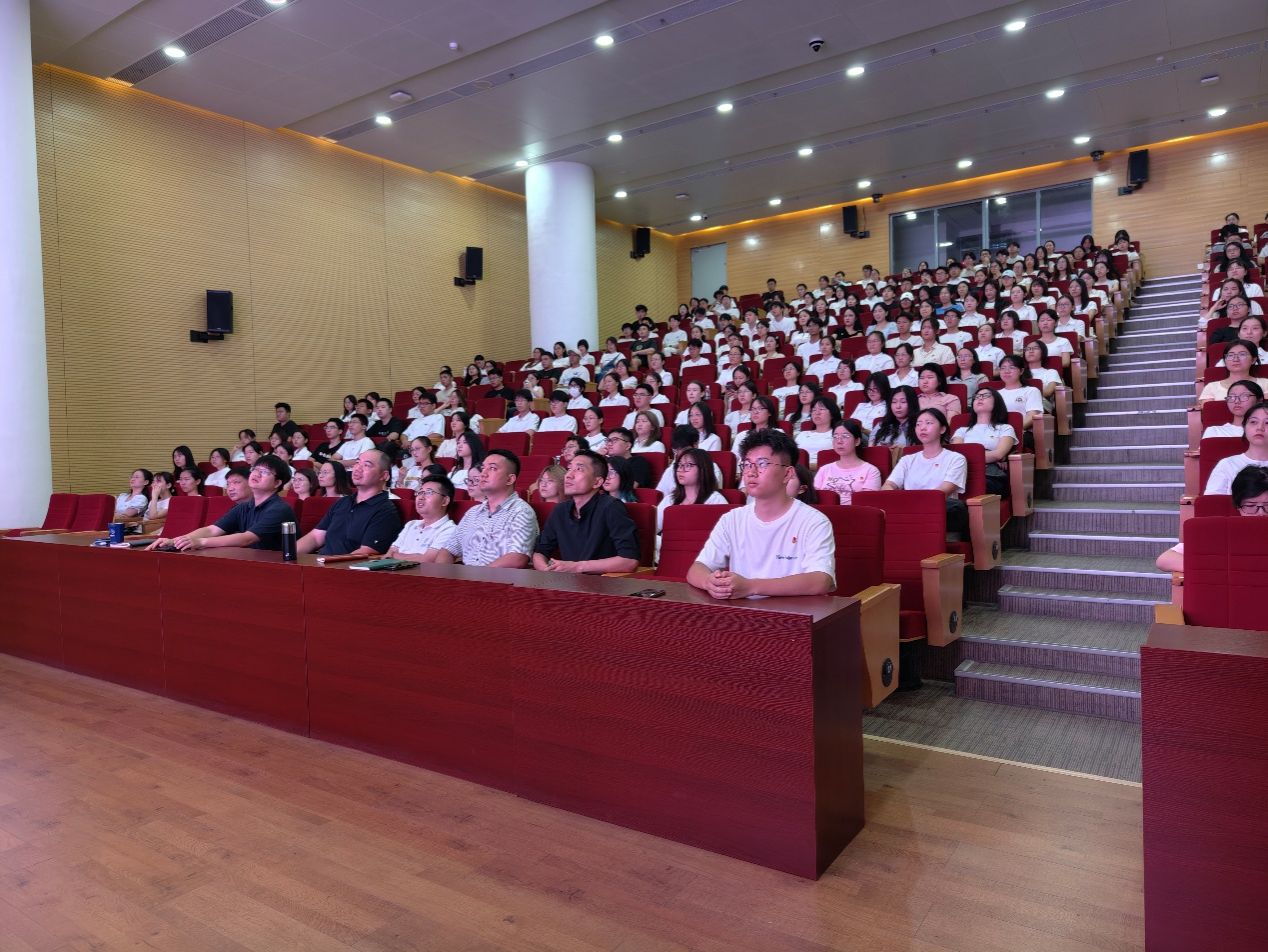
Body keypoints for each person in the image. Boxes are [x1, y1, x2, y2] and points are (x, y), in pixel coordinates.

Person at [687, 429, 835, 599]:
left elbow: (822, 580)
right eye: (747, 464)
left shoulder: (814, 521)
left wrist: (751, 587)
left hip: (794, 612)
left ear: (787, 474)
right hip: (742, 611)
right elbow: (697, 569)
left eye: (763, 464)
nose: (751, 472)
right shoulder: (732, 519)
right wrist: (709, 582)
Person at [151, 455, 295, 551]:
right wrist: (176, 541)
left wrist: (201, 542)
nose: (256, 474)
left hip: (278, 567)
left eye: (264, 472)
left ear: (277, 483)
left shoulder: (279, 509)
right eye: (255, 469)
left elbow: (247, 538)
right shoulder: (243, 507)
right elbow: (212, 530)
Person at [531, 451, 640, 574]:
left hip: (604, 581)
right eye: (569, 469)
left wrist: (577, 567)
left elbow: (629, 560)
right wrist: (546, 570)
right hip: (565, 580)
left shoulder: (611, 507)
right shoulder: (560, 510)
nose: (568, 475)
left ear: (597, 482)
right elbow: (540, 552)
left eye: (579, 469)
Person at [439, 450, 538, 568]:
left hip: (498, 578)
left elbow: (518, 558)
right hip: (465, 576)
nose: (483, 474)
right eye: (483, 468)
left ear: (510, 479)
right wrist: (443, 573)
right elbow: (448, 550)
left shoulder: (521, 512)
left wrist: (476, 576)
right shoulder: (473, 512)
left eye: (492, 468)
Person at [1158, 466, 1268, 572]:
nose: (1261, 513)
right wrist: (1220, 568)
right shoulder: (1223, 532)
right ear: (1238, 506)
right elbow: (1165, 559)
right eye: (1250, 506)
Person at [296, 449, 403, 556]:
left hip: (344, 565)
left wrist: (326, 563)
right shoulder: (342, 502)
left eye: (366, 465)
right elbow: (315, 537)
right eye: (357, 463)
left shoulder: (385, 510)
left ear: (384, 476)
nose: (358, 468)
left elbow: (367, 552)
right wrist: (289, 554)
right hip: (322, 561)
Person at [882, 408, 968, 537]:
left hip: (939, 515)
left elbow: (941, 493)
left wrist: (908, 502)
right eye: (918, 424)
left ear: (942, 429)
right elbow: (887, 486)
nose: (922, 428)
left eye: (928, 423)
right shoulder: (907, 460)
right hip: (909, 513)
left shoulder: (956, 459)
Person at [952, 388, 1016, 496]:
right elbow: (956, 455)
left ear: (996, 402)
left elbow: (999, 454)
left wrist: (969, 457)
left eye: (985, 395)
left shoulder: (1005, 428)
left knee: (973, 485)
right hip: (964, 473)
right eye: (977, 396)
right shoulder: (961, 431)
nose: (980, 398)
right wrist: (987, 457)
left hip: (991, 476)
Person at [387, 473, 458, 562]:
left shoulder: (450, 530)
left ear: (445, 501)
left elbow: (427, 560)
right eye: (420, 492)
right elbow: (388, 555)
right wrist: (416, 556)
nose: (421, 497)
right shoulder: (411, 525)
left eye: (429, 492)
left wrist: (395, 555)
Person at [657, 447, 728, 532]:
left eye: (688, 465)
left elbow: (725, 534)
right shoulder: (670, 499)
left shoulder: (716, 501)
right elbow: (654, 528)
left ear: (702, 469)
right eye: (679, 465)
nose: (681, 470)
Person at [1205, 402, 1268, 495]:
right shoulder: (1227, 464)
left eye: (1267, 423)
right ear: (1244, 427)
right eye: (1253, 422)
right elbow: (1213, 502)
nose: (1260, 428)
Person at [814, 420, 882, 504]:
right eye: (835, 437)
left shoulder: (871, 471)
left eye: (845, 436)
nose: (839, 441)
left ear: (857, 441)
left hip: (854, 511)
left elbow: (866, 503)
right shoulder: (824, 470)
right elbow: (814, 499)